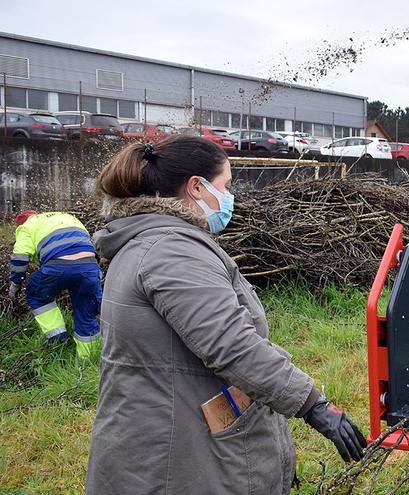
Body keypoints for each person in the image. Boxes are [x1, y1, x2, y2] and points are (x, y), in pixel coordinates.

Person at [86, 136, 365, 494]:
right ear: (197, 187)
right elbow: (234, 346)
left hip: (167, 441)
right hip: (173, 458)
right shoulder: (171, 252)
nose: (231, 197)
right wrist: (313, 405)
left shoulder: (150, 242)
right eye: (226, 186)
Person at [8, 210, 102, 359]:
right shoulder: (65, 217)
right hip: (89, 267)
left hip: (57, 267)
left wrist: (15, 283)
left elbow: (20, 257)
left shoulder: (27, 226)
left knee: (37, 295)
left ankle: (59, 340)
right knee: (86, 311)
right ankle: (87, 360)